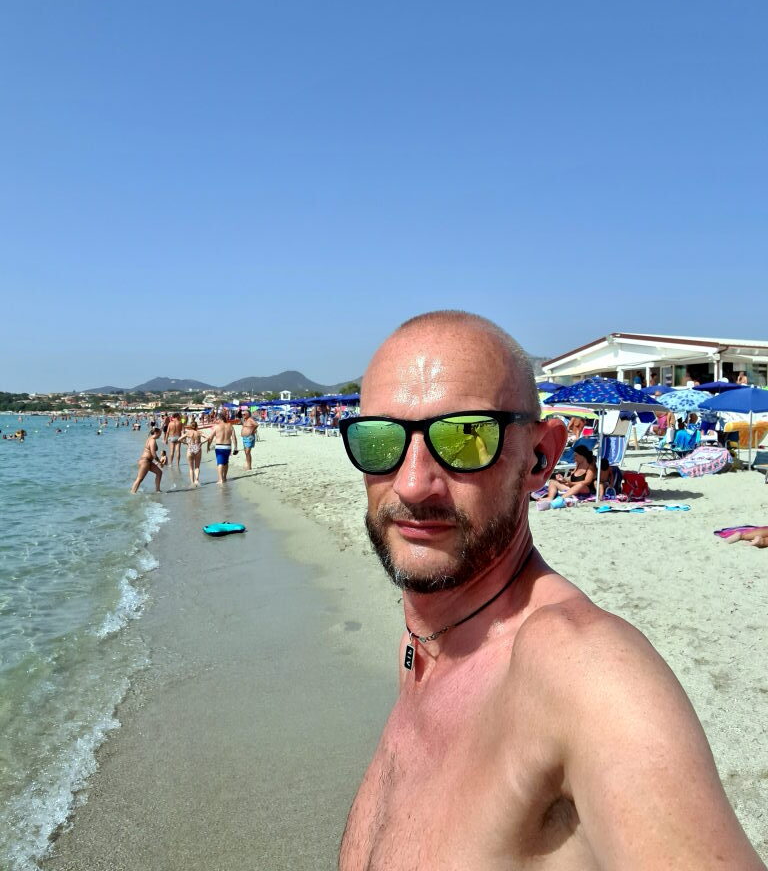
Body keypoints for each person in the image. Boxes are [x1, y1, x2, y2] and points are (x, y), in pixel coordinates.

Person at [337, 310, 764, 870]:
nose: (414, 483)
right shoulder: (423, 644)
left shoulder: (584, 672)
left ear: (542, 456)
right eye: (378, 439)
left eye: (466, 437)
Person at [130, 428, 163, 493]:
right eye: (160, 433)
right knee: (140, 479)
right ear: (156, 433)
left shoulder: (150, 438)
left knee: (159, 472)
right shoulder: (152, 441)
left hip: (148, 461)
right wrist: (159, 462)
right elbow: (153, 454)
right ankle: (132, 493)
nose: (160, 435)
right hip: (145, 461)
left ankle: (158, 490)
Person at [207, 416, 238, 484]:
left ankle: (220, 479)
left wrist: (208, 446)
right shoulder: (230, 426)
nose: (216, 420)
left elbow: (210, 438)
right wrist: (235, 447)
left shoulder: (216, 427)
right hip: (227, 447)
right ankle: (224, 477)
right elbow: (234, 438)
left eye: (217, 419)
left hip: (219, 446)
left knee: (220, 463)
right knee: (226, 462)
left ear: (221, 419)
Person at [179, 419, 207, 487]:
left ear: (190, 427)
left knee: (191, 468)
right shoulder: (199, 432)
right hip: (198, 447)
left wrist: (186, 443)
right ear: (196, 426)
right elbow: (208, 437)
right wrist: (201, 443)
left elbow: (179, 439)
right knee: (197, 467)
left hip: (190, 448)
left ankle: (192, 483)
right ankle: (196, 480)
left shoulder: (188, 433)